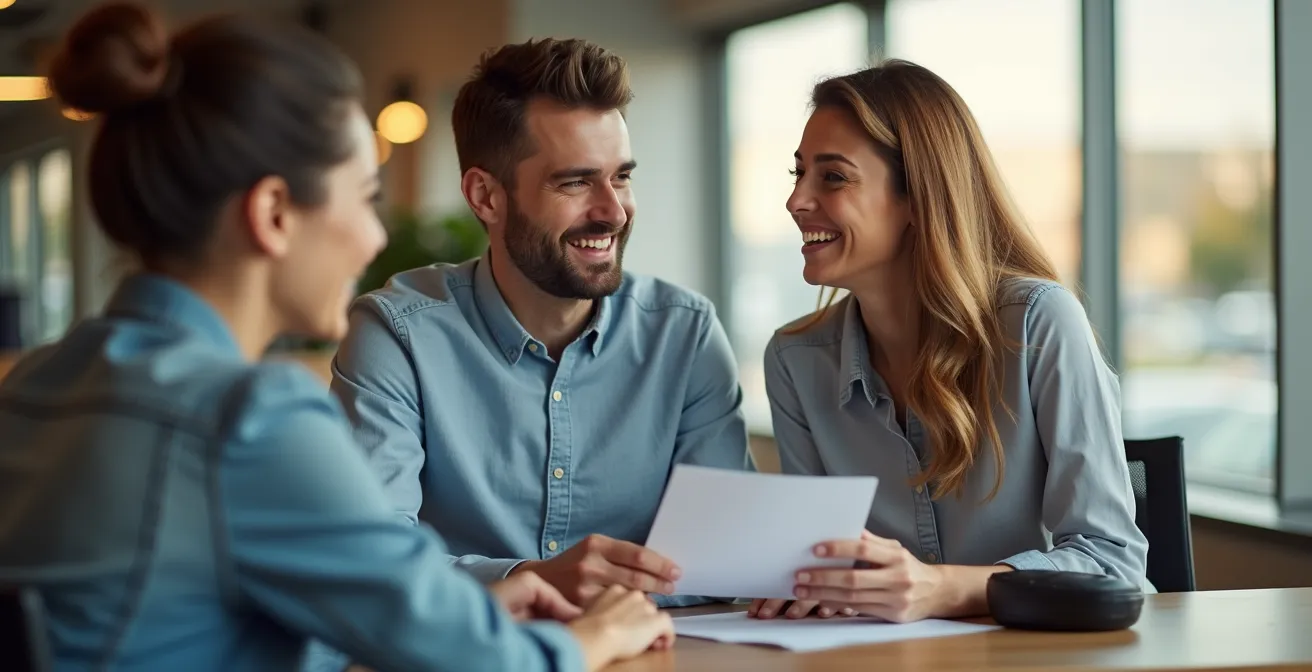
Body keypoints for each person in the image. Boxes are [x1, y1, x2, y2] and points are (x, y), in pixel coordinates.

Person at [0, 3, 673, 671]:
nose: (375, 237)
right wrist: (595, 637)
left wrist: (464, 614)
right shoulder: (250, 420)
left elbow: (197, 615)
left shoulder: (35, 386)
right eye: (364, 196)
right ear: (273, 214)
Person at [330, 38, 752, 608]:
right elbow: (369, 560)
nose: (613, 210)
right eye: (575, 182)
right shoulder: (399, 335)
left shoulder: (685, 334)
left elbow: (725, 558)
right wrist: (528, 581)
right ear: (485, 196)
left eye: (621, 177)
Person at [749, 60, 1150, 622]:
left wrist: (941, 588)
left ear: (917, 198)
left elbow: (1114, 564)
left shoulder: (1038, 323)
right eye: (799, 175)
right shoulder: (794, 363)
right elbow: (821, 564)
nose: (796, 202)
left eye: (833, 177)